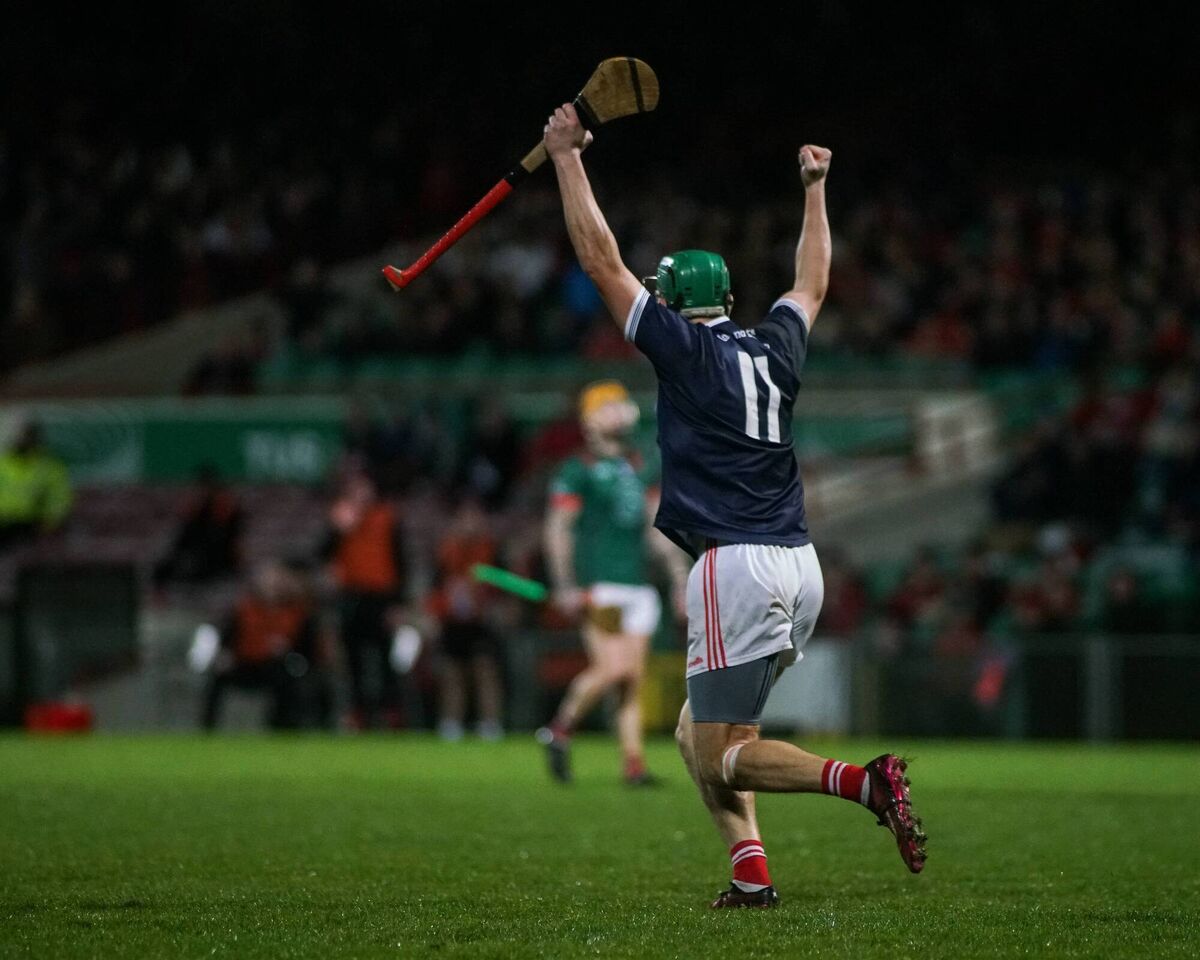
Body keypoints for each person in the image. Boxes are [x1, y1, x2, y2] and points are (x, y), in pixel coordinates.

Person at [542, 103, 927, 907]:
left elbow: (598, 257)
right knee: (694, 731)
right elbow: (811, 281)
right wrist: (815, 189)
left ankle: (865, 783)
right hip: (799, 561)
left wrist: (565, 160)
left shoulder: (685, 351)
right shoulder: (775, 345)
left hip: (736, 566)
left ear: (677, 302)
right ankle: (750, 873)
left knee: (721, 752)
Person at [536, 380, 689, 786]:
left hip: (639, 584)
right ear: (589, 419)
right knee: (612, 669)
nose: (621, 410)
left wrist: (678, 580)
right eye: (610, 405)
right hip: (599, 583)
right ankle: (559, 728)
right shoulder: (577, 470)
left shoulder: (641, 465)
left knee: (632, 681)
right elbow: (558, 529)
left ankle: (633, 765)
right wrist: (565, 583)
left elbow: (659, 529)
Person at [324, 469, 410, 729]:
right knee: (353, 660)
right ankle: (357, 713)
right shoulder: (340, 517)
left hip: (382, 598)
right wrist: (338, 530)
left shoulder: (387, 518)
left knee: (386, 659)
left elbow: (401, 561)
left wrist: (399, 603)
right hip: (351, 597)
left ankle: (391, 713)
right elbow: (323, 554)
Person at [200, 559, 331, 730]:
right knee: (218, 676)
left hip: (280, 666)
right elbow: (227, 638)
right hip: (246, 664)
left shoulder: (299, 613)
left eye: (276, 580)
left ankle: (281, 727)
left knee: (288, 676)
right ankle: (207, 728)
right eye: (268, 580)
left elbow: (309, 650)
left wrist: (289, 651)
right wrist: (224, 655)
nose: (272, 585)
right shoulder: (244, 610)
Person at [428, 497, 505, 741]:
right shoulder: (445, 551)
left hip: (481, 620)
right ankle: (451, 723)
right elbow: (435, 586)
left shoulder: (490, 549)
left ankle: (490, 723)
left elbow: (502, 584)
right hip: (452, 620)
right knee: (452, 673)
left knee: (485, 671)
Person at [0, 420, 73, 552]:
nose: (24, 441)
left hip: (31, 524)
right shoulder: (3, 464)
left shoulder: (49, 468)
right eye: (21, 437)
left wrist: (50, 522)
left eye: (28, 437)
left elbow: (59, 501)